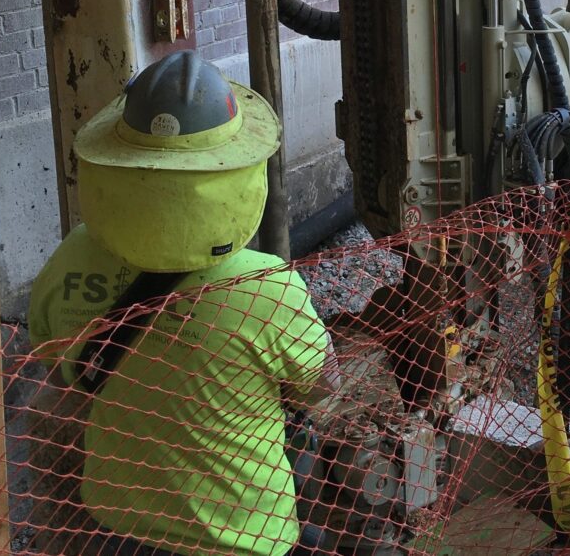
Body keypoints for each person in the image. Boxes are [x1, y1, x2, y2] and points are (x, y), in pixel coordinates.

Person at [29, 51, 340, 556]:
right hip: (245, 540)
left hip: (109, 532)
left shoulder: (72, 258)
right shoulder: (270, 288)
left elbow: (53, 363)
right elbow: (321, 391)